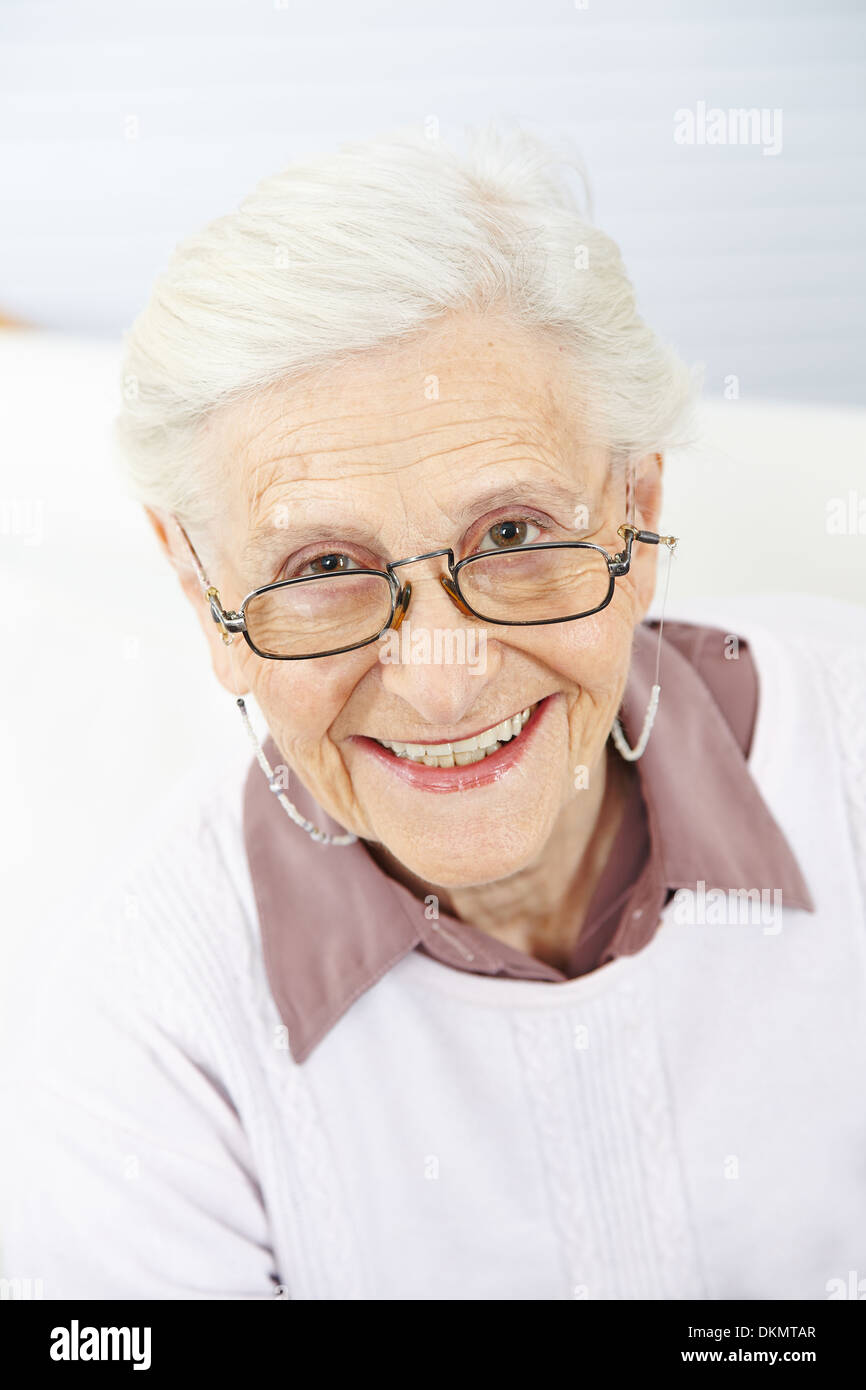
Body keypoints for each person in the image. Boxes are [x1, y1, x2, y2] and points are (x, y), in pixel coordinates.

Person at [2, 127, 864, 1300]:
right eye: (318, 567)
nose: (442, 679)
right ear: (203, 595)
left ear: (636, 504)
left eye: (511, 535)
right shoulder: (143, 1036)